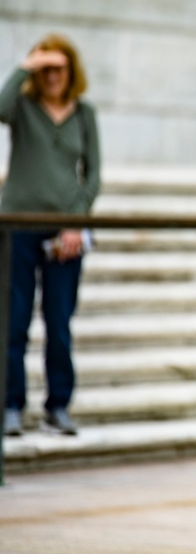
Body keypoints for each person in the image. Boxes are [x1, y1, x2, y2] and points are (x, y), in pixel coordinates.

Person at [1, 34, 101, 436]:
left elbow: (93, 176)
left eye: (58, 68)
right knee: (13, 320)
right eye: (45, 69)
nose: (52, 76)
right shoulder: (22, 107)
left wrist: (76, 222)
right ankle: (10, 404)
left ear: (71, 71)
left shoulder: (84, 113)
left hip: (65, 233)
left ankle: (58, 404)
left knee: (59, 321)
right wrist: (26, 65)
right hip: (18, 226)